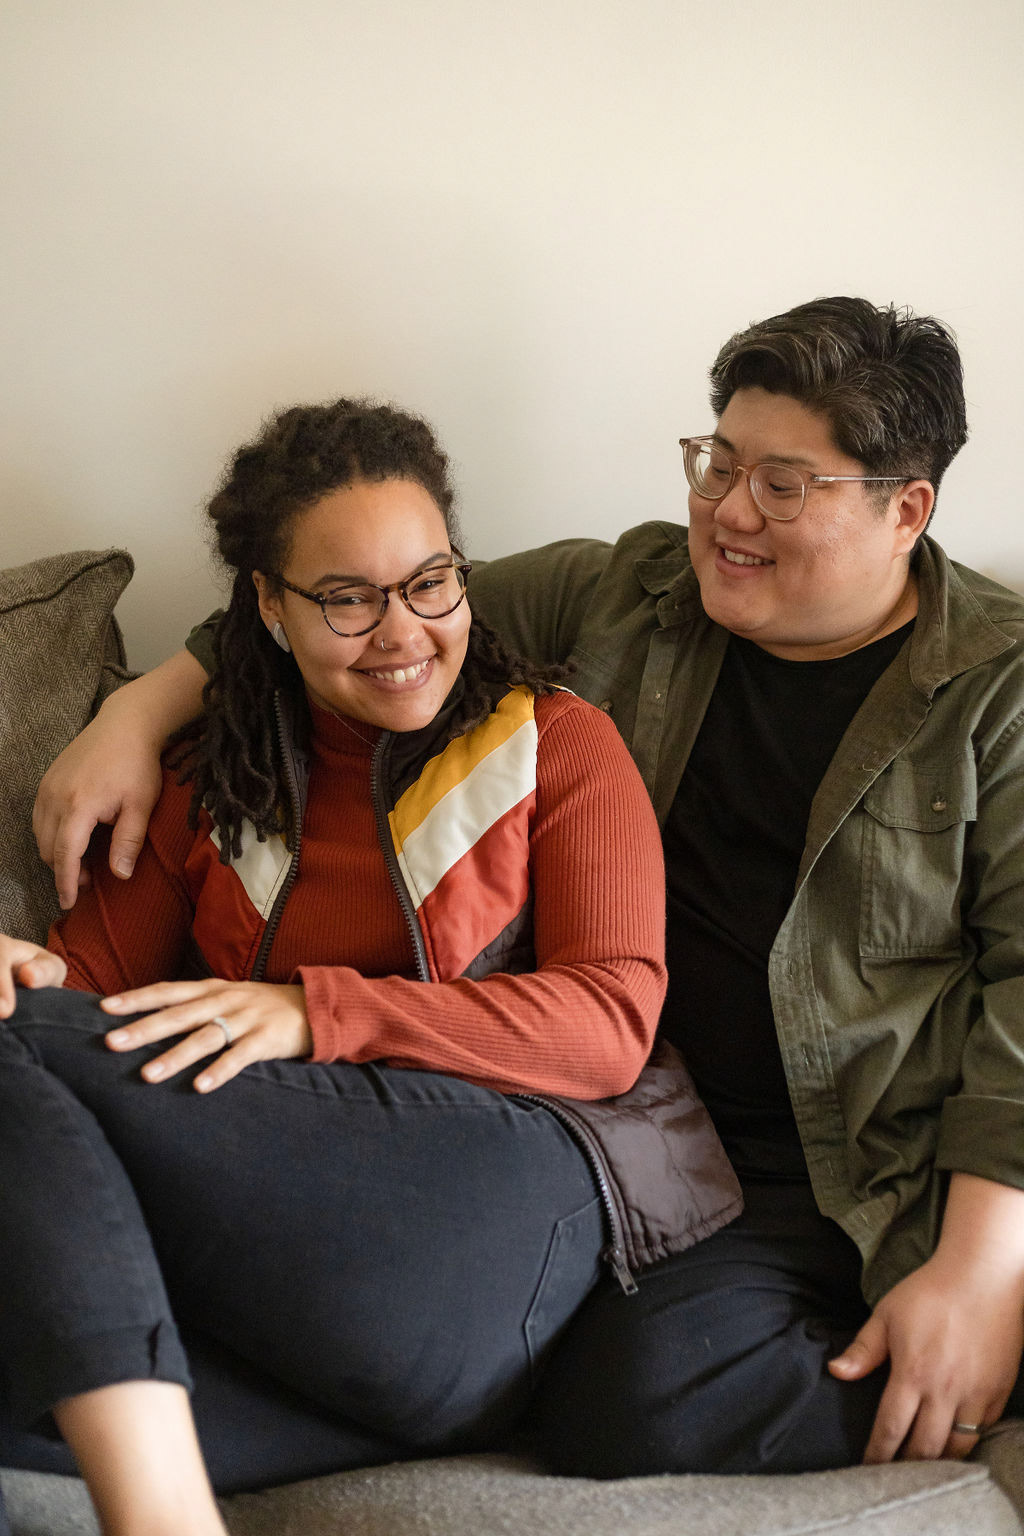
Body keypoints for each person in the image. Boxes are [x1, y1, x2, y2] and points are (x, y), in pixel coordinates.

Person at [27, 297, 1024, 1478]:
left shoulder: (996, 693)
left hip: (869, 1176)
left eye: (781, 484)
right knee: (612, 1394)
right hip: (677, 1162)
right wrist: (132, 716)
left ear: (905, 508)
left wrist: (980, 1273)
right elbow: (351, 594)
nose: (725, 511)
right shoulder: (627, 591)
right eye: (717, 462)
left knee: (639, 1404)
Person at [0, 398, 741, 1536]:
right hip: (354, 1332)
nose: (403, 631)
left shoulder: (557, 744)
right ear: (269, 605)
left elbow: (607, 1027)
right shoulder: (205, 779)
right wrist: (19, 973)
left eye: (430, 582)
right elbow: (74, 1016)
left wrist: (314, 1013)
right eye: (347, 599)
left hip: (510, 1225)